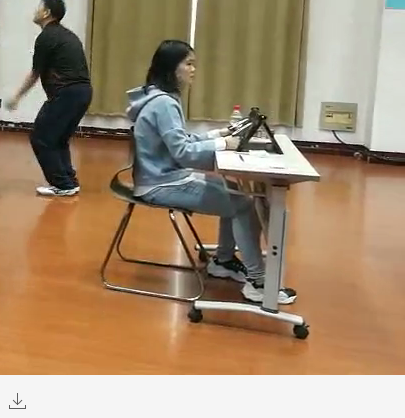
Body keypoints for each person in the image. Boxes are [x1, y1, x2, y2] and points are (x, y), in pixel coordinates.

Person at [125, 39, 297, 305]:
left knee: (235, 192)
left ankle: (224, 261)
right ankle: (258, 282)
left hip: (163, 176)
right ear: (171, 67)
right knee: (242, 205)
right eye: (188, 64)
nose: (193, 69)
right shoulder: (164, 104)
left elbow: (181, 140)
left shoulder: (158, 97)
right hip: (160, 184)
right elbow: (183, 152)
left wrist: (219, 135)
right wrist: (223, 144)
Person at [6, 0, 93, 197]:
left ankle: (62, 185)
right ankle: (69, 181)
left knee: (41, 137)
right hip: (83, 93)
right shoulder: (67, 35)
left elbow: (35, 73)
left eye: (39, 7)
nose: (35, 11)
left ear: (46, 13)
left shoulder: (46, 37)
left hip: (67, 94)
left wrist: (17, 96)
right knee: (58, 139)